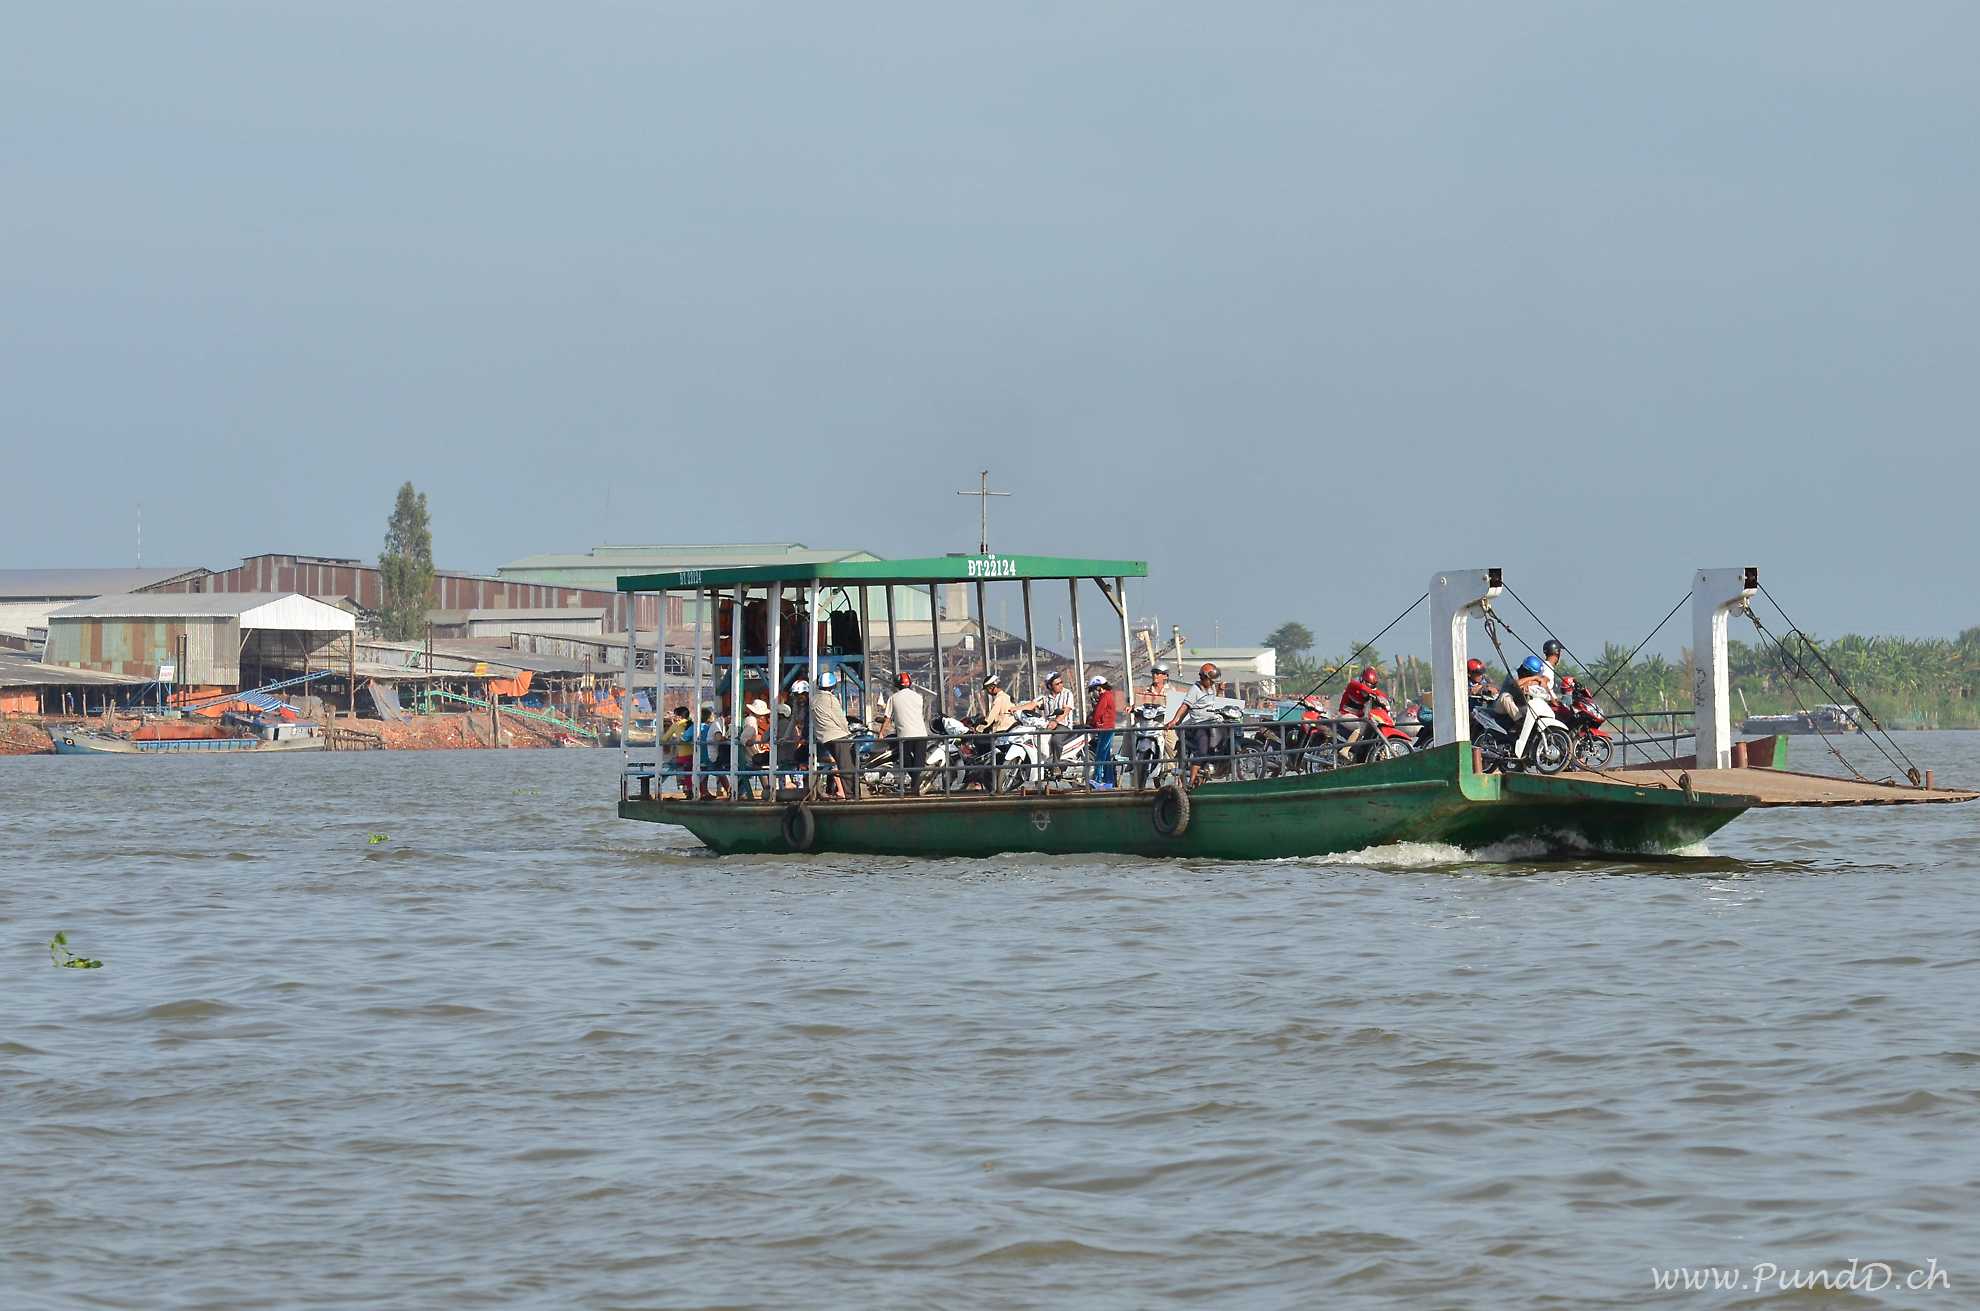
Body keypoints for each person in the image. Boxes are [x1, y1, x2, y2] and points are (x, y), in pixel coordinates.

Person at [1167, 662, 1226, 787]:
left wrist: (1220, 690)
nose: (1212, 683)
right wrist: (1175, 720)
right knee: (1202, 750)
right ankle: (1191, 781)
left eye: (1213, 682)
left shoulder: (1212, 687)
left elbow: (1216, 701)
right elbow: (1185, 706)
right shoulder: (1195, 689)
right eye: (1210, 681)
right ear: (1204, 678)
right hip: (1198, 724)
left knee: (1224, 738)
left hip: (1212, 722)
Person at [808, 670, 856, 800]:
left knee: (840, 765)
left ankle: (846, 792)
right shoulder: (830, 699)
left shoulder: (814, 699)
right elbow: (840, 719)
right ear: (833, 686)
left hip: (824, 738)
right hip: (838, 736)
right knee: (847, 767)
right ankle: (851, 795)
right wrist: (848, 732)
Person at [885, 671, 929, 790]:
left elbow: (887, 718)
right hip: (921, 733)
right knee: (919, 762)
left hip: (905, 735)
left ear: (897, 684)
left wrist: (881, 734)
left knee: (905, 760)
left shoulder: (893, 698)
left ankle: (915, 784)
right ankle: (916, 785)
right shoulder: (918, 697)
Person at [1022, 671, 1077, 762]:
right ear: (1050, 686)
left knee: (1056, 740)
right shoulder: (1045, 696)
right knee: (1034, 737)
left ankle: (1055, 765)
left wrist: (1056, 721)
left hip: (1063, 725)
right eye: (1057, 684)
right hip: (1048, 725)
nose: (1061, 685)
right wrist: (1015, 708)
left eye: (1061, 682)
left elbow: (1066, 711)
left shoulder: (1067, 693)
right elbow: (1032, 704)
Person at [1086, 674, 1119, 789]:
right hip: (1109, 727)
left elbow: (1098, 712)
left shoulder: (1105, 696)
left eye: (1094, 690)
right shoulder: (1109, 695)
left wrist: (1092, 724)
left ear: (1099, 687)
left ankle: (1098, 779)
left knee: (1100, 754)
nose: (1094, 693)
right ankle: (1109, 781)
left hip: (1105, 728)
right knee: (1106, 756)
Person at [739, 697, 772, 799]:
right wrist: (753, 742)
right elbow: (744, 738)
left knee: (760, 767)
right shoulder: (751, 721)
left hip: (750, 754)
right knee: (762, 768)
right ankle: (768, 792)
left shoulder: (750, 720)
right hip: (751, 755)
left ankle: (742, 792)